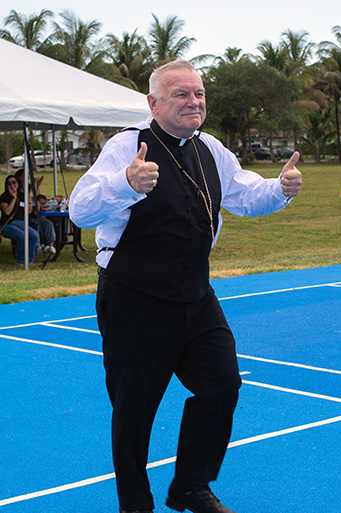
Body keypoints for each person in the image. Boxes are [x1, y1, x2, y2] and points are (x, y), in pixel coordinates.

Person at [69, 60, 302, 513]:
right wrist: (125, 183)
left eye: (199, 93)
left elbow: (246, 196)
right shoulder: (125, 147)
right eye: (181, 94)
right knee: (134, 411)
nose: (194, 101)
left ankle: (191, 486)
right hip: (134, 298)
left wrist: (280, 189)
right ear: (153, 103)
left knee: (222, 386)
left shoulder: (210, 148)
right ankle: (135, 505)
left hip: (196, 295)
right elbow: (80, 210)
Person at [0, 175, 39, 265]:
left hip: (21, 223)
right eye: (9, 183)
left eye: (14, 182)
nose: (12, 185)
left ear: (17, 184)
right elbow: (7, 212)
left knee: (35, 235)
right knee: (22, 236)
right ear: (6, 185)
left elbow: (29, 211)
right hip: (8, 225)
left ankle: (29, 260)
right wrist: (14, 198)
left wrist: (29, 197)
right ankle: (20, 261)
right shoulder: (4, 197)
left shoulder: (22, 195)